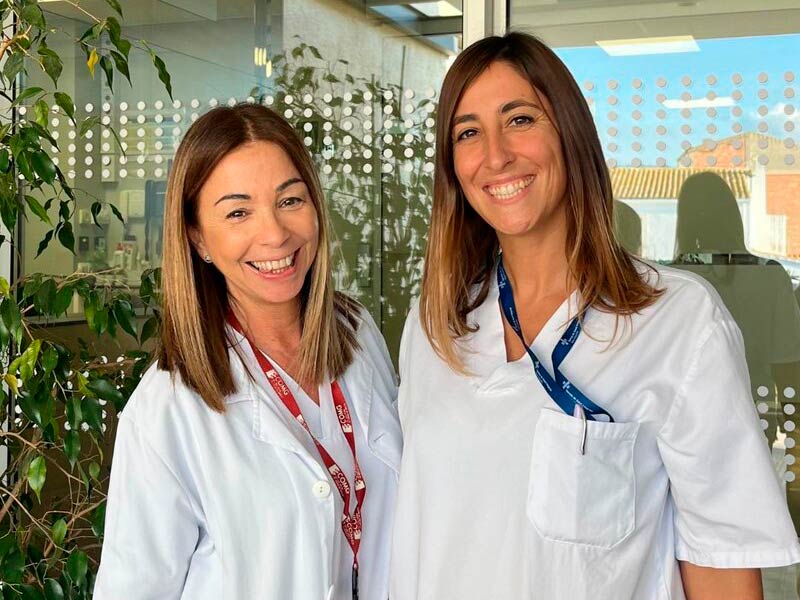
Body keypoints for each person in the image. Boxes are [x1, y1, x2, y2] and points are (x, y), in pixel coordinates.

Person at [389, 32, 800, 600]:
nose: (496, 154)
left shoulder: (675, 321)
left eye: (521, 119)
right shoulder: (436, 325)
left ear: (570, 133)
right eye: (467, 133)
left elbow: (721, 563)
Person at [94, 104, 402, 600]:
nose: (276, 234)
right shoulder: (166, 409)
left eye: (290, 200)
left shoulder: (356, 332)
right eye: (238, 211)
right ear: (197, 238)